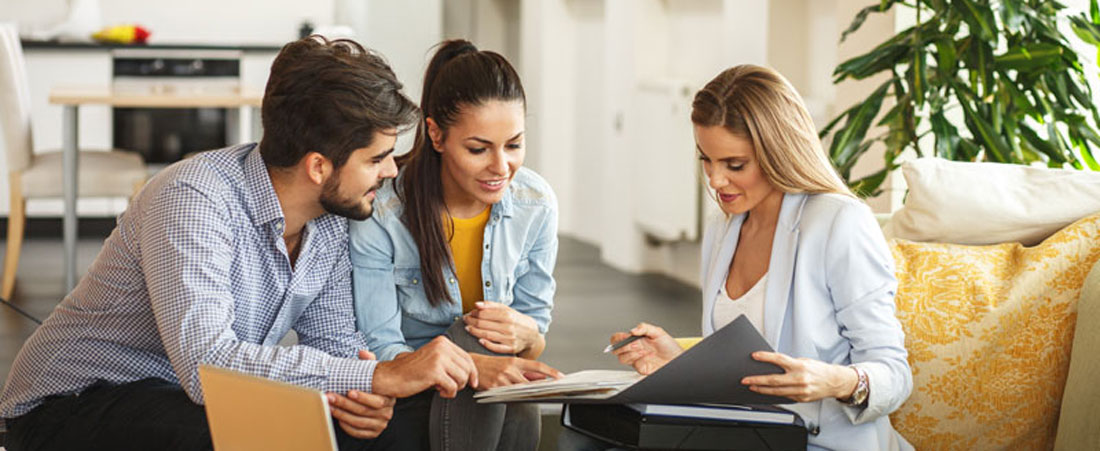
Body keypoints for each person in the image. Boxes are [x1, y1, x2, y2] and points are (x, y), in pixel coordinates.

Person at [0, 36, 480, 451]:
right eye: (376, 159)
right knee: (260, 434)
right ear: (318, 166)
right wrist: (377, 377)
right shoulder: (193, 197)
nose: (391, 171)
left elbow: (336, 346)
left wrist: (365, 397)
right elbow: (207, 365)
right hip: (71, 403)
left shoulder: (332, 219)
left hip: (191, 398)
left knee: (407, 424)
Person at [579, 65, 912, 450]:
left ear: (779, 152)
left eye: (734, 165)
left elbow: (895, 375)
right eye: (706, 159)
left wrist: (835, 381)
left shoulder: (840, 223)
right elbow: (742, 368)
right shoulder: (723, 228)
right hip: (745, 438)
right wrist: (678, 361)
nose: (715, 180)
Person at [350, 39, 561, 451]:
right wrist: (474, 365)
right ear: (436, 134)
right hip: (410, 393)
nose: (501, 167)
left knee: (507, 375)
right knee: (473, 336)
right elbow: (380, 347)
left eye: (514, 145)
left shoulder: (536, 203)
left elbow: (533, 339)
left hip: (489, 398)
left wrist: (528, 336)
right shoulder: (385, 212)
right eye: (478, 149)